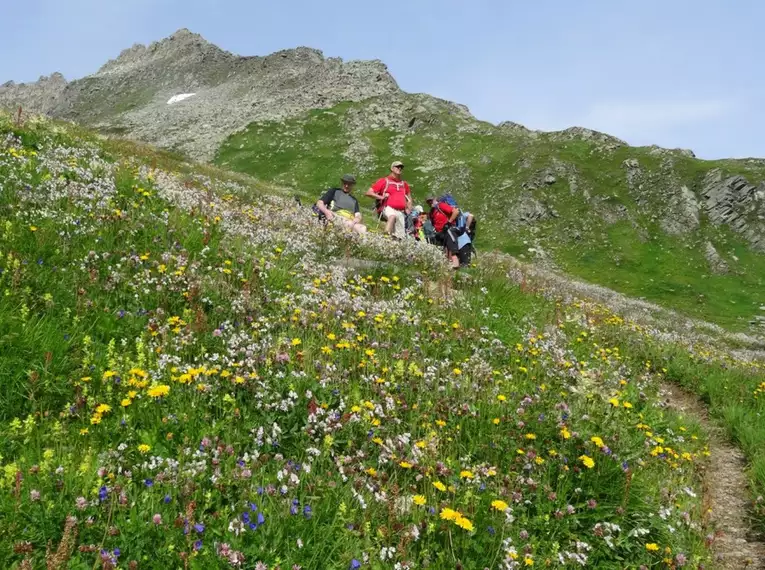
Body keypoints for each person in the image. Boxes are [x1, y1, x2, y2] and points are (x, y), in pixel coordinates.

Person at [365, 161, 412, 239]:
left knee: (400, 237)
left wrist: (409, 208)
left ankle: (393, 245)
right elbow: (369, 192)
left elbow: (409, 197)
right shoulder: (384, 181)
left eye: (401, 167)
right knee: (392, 216)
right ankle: (385, 237)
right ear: (392, 168)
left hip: (401, 212)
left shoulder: (404, 184)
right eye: (397, 167)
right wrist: (381, 197)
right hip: (387, 207)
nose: (400, 168)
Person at [426, 196, 462, 269]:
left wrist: (449, 223)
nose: (430, 203)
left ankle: (455, 266)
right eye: (428, 201)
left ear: (435, 199)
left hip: (449, 230)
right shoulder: (431, 213)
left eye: (431, 200)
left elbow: (455, 211)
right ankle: (451, 270)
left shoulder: (441, 205)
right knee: (447, 253)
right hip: (441, 233)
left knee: (452, 251)